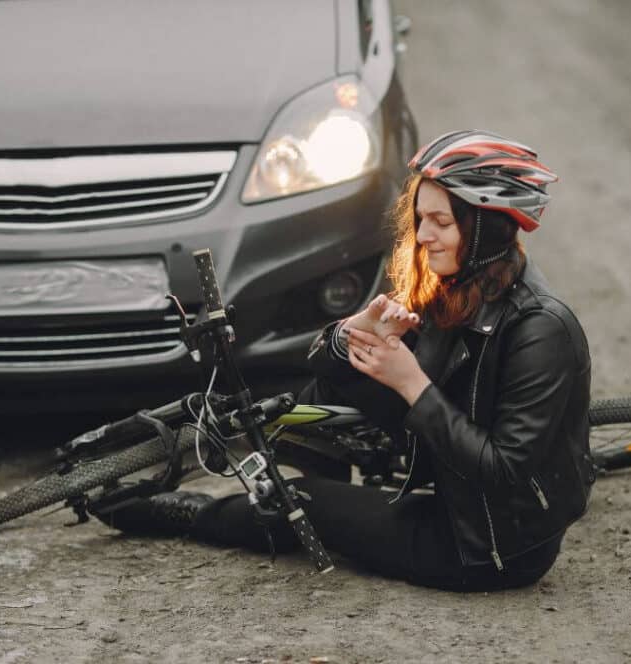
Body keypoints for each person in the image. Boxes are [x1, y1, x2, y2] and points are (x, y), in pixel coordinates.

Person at [97, 130, 594, 592]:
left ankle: (195, 513)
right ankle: (308, 478)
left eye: (442, 222)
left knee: (308, 503)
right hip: (451, 482)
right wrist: (353, 332)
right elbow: (325, 365)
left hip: (486, 547)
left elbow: (504, 471)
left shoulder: (540, 330)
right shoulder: (457, 288)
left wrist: (412, 384)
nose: (423, 235)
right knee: (339, 378)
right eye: (421, 218)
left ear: (486, 228)